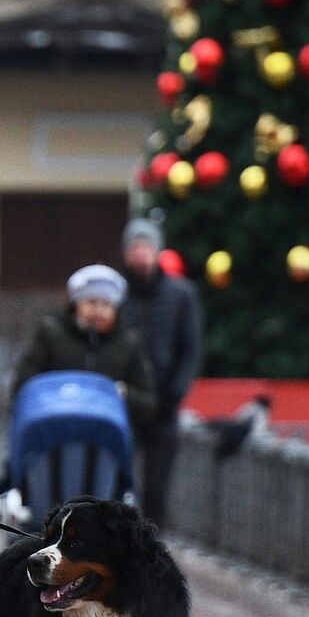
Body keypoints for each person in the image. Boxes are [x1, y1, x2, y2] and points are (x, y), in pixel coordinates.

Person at [118, 219, 203, 525]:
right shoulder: (116, 294)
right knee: (119, 483)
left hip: (164, 406)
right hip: (123, 403)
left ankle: (152, 548)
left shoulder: (181, 296)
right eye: (135, 247)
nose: (141, 254)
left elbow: (190, 349)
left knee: (157, 487)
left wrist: (174, 392)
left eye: (147, 247)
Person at [13, 264, 158, 429]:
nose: (98, 311)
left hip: (105, 436)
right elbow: (24, 385)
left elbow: (148, 402)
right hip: (54, 429)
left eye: (106, 304)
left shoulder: (128, 342)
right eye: (91, 302)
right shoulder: (51, 333)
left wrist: (122, 394)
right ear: (77, 304)